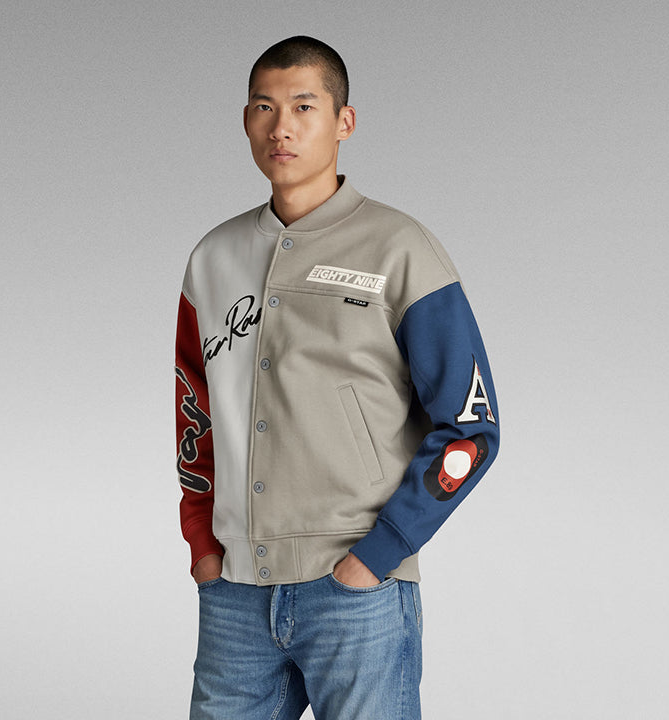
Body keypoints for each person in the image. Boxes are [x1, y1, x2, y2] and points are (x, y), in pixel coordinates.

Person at [175, 36, 499, 720]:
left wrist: (380, 555)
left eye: (303, 106)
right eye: (264, 107)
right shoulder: (213, 258)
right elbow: (193, 414)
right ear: (246, 121)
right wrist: (203, 543)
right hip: (234, 592)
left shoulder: (401, 249)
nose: (281, 127)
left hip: (356, 592)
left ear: (343, 121)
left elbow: (471, 428)